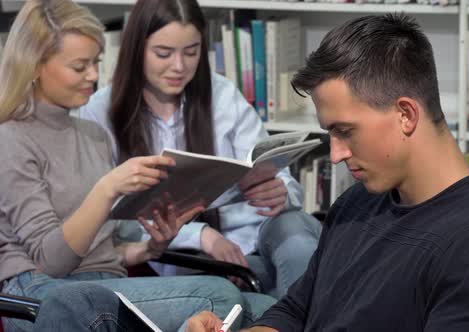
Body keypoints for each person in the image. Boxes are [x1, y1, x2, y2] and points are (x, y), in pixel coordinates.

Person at [184, 13, 469, 332]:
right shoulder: (356, 203)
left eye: (345, 131)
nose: (336, 154)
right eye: (330, 134)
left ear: (406, 115)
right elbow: (297, 310)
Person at [0, 1, 274, 331]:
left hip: (104, 284)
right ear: (35, 66)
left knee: (269, 310)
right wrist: (107, 189)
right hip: (44, 296)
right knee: (217, 296)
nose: (93, 75)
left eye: (96, 62)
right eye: (79, 66)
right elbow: (50, 262)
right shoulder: (11, 139)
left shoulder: (92, 135)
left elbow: (106, 248)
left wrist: (150, 247)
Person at [78, 0, 321, 298]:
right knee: (272, 288)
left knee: (298, 242)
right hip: (179, 258)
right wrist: (201, 235)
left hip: (256, 233)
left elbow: (281, 178)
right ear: (135, 50)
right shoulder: (100, 111)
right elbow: (107, 218)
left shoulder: (222, 94)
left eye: (191, 52)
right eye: (163, 53)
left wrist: (281, 193)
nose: (179, 66)